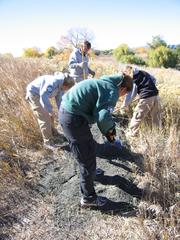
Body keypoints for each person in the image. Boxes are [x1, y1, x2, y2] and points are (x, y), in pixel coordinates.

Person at [59, 74, 133, 208]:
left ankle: (93, 172)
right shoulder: (112, 92)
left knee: (88, 145)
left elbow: (96, 108)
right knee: (86, 159)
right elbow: (103, 118)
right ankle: (88, 198)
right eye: (124, 94)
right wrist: (111, 138)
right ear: (122, 89)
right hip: (73, 117)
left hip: (69, 111)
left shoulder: (104, 83)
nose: (122, 97)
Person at [26, 72, 74, 149]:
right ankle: (48, 142)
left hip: (41, 95)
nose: (66, 90)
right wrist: (50, 110)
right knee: (44, 118)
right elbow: (43, 96)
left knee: (51, 116)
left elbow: (59, 101)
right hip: (34, 95)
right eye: (67, 88)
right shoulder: (53, 82)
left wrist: (62, 113)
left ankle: (54, 133)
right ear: (65, 85)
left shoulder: (61, 87)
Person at [121, 66, 161, 138]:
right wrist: (149, 88)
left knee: (137, 115)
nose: (124, 76)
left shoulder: (133, 78)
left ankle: (131, 134)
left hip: (146, 97)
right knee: (156, 117)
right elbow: (154, 79)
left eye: (124, 74)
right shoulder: (143, 72)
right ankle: (157, 135)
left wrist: (124, 106)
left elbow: (131, 95)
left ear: (127, 72)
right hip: (156, 95)